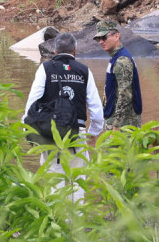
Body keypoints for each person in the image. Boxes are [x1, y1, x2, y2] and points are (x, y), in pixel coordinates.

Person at [23, 33, 104, 197]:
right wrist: (93, 134)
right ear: (75, 50)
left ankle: (58, 218)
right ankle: (77, 219)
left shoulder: (45, 69)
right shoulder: (84, 71)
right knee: (77, 181)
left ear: (54, 52)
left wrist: (28, 129)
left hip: (51, 134)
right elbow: (96, 111)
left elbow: (32, 104)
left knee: (54, 179)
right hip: (77, 133)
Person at [94, 20, 142, 130]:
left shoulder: (122, 60)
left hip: (124, 125)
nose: (101, 42)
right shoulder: (116, 58)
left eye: (104, 37)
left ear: (116, 36)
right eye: (98, 39)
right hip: (118, 120)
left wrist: (116, 125)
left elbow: (125, 94)